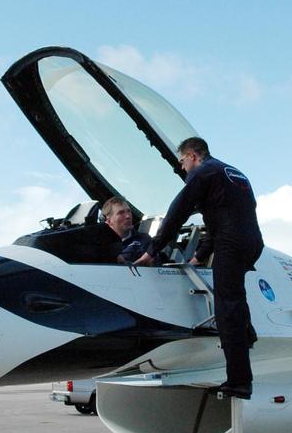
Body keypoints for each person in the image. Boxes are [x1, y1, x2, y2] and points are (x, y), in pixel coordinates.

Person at [134, 138, 263, 399]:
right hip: (252, 242)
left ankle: (239, 382)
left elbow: (178, 211)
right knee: (235, 299)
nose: (182, 168)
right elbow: (221, 218)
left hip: (230, 244)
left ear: (192, 155)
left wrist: (153, 249)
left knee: (227, 310)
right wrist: (199, 256)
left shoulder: (203, 173)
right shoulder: (232, 173)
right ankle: (246, 336)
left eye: (182, 162)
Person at [102, 197, 151, 264]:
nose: (128, 216)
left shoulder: (144, 239)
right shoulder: (101, 243)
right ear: (108, 220)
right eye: (121, 213)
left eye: (129, 211)